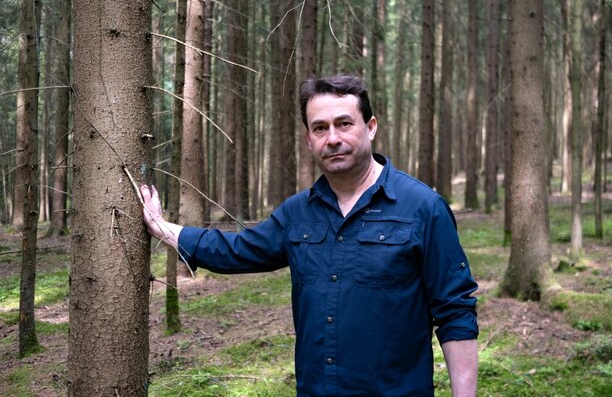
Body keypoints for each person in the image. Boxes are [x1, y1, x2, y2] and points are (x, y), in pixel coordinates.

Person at [141, 74, 479, 396]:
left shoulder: (422, 207)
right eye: (320, 128)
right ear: (309, 139)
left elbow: (455, 312)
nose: (333, 138)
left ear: (370, 127)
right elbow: (237, 250)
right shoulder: (297, 213)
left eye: (344, 124)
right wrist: (164, 228)